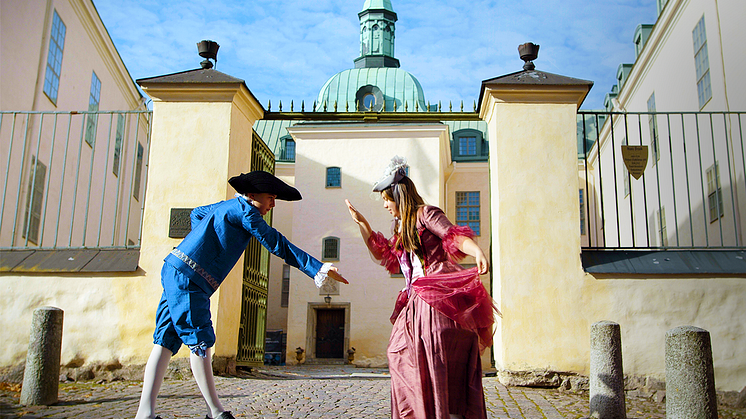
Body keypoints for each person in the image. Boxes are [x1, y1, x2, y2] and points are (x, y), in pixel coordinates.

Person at [134, 171, 348, 419]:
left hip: (176, 268)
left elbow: (197, 213)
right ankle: (215, 412)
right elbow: (276, 242)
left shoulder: (228, 206)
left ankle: (144, 413)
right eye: (270, 197)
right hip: (191, 278)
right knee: (200, 340)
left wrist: (202, 243)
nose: (273, 204)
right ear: (253, 195)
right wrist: (318, 267)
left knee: (165, 340)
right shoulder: (247, 212)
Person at [345, 156, 496, 419]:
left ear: (398, 196)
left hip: (435, 298)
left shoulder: (426, 213)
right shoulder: (400, 226)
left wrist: (476, 250)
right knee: (399, 353)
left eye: (386, 200)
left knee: (433, 359)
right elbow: (387, 255)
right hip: (414, 300)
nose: (384, 206)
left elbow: (452, 235)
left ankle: (444, 413)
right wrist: (363, 225)